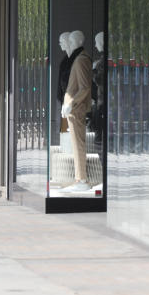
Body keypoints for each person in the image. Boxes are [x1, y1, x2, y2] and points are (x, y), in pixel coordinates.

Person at [60, 30, 92, 192]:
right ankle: (79, 178)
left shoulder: (81, 60)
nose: (69, 45)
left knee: (78, 144)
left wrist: (71, 103)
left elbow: (85, 87)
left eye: (71, 42)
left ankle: (82, 180)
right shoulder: (79, 59)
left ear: (78, 42)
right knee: (76, 144)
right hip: (73, 109)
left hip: (76, 109)